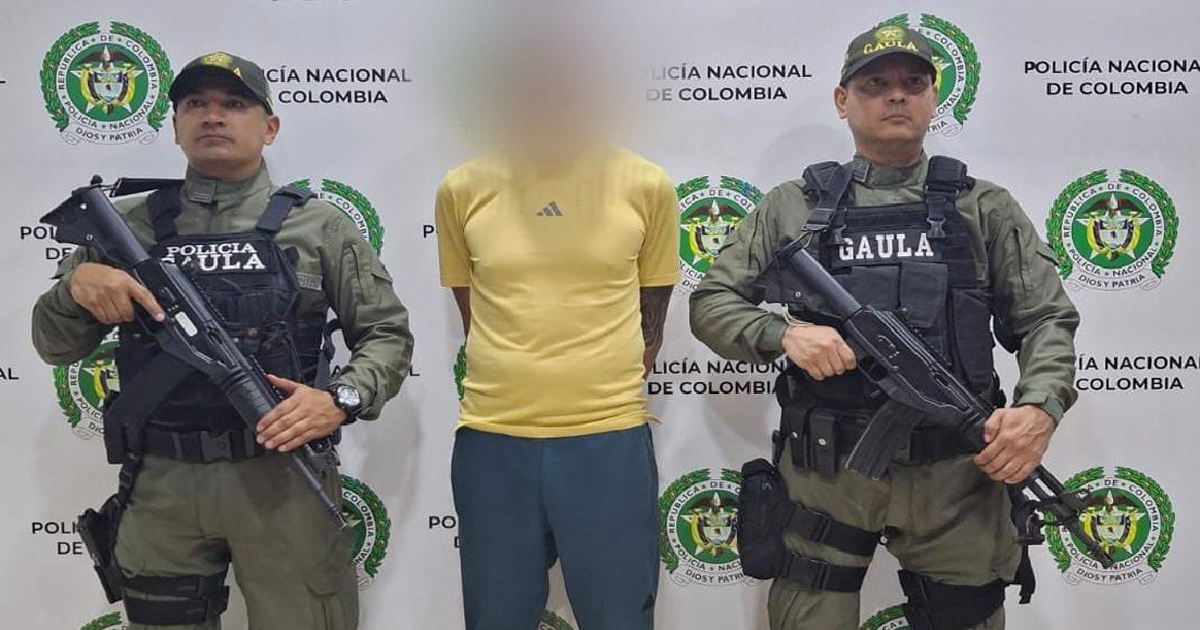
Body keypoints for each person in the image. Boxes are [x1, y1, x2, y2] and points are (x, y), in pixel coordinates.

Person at [689, 25, 1080, 630]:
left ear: (933, 97)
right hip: (827, 473)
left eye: (912, 83)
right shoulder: (793, 206)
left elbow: (1047, 317)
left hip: (957, 475)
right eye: (874, 84)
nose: (896, 95)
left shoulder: (983, 206)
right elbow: (712, 303)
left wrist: (1039, 408)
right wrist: (783, 335)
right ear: (842, 101)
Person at [31, 51, 414, 630]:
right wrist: (75, 288)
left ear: (269, 127)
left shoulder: (318, 226)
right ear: (175, 126)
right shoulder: (124, 226)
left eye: (234, 104)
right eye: (196, 104)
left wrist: (340, 399)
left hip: (283, 482)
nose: (213, 116)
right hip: (161, 485)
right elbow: (54, 345)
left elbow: (386, 334)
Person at [434, 30, 679, 628]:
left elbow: (652, 320)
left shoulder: (646, 184)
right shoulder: (461, 188)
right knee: (496, 619)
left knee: (620, 619)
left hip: (608, 438)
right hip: (493, 439)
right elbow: (473, 312)